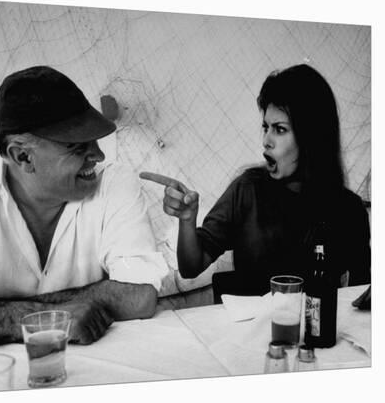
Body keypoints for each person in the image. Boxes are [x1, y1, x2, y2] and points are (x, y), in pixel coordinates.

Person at [0, 65, 168, 349]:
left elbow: (139, 294)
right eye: (77, 147)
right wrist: (44, 317)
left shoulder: (115, 181)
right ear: (23, 156)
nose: (98, 156)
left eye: (95, 142)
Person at [141, 64, 370, 298]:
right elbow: (191, 267)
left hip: (316, 331)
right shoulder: (248, 189)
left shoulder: (348, 209)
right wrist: (187, 220)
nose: (266, 140)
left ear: (312, 139)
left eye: (280, 129)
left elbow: (363, 292)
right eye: (265, 127)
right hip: (253, 330)